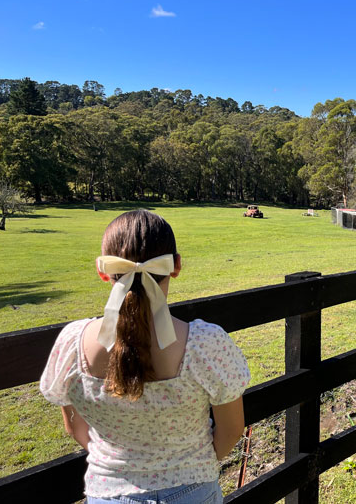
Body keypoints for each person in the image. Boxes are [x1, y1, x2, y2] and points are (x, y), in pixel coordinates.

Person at [40, 210, 249, 503]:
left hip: (109, 493)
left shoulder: (72, 343)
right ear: (175, 266)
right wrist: (190, 467)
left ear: (103, 271)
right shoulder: (205, 343)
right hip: (192, 491)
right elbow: (231, 429)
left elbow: (74, 426)